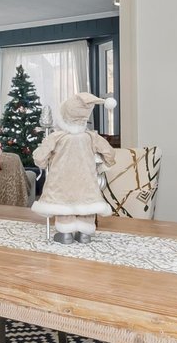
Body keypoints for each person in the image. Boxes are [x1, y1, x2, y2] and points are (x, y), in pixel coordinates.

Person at [31, 92, 117, 243]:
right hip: (86, 181)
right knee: (86, 204)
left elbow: (40, 156)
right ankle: (85, 233)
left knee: (64, 205)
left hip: (61, 182)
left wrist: (42, 163)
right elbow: (109, 152)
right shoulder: (91, 137)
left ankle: (65, 233)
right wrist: (106, 163)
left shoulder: (57, 137)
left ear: (64, 116)